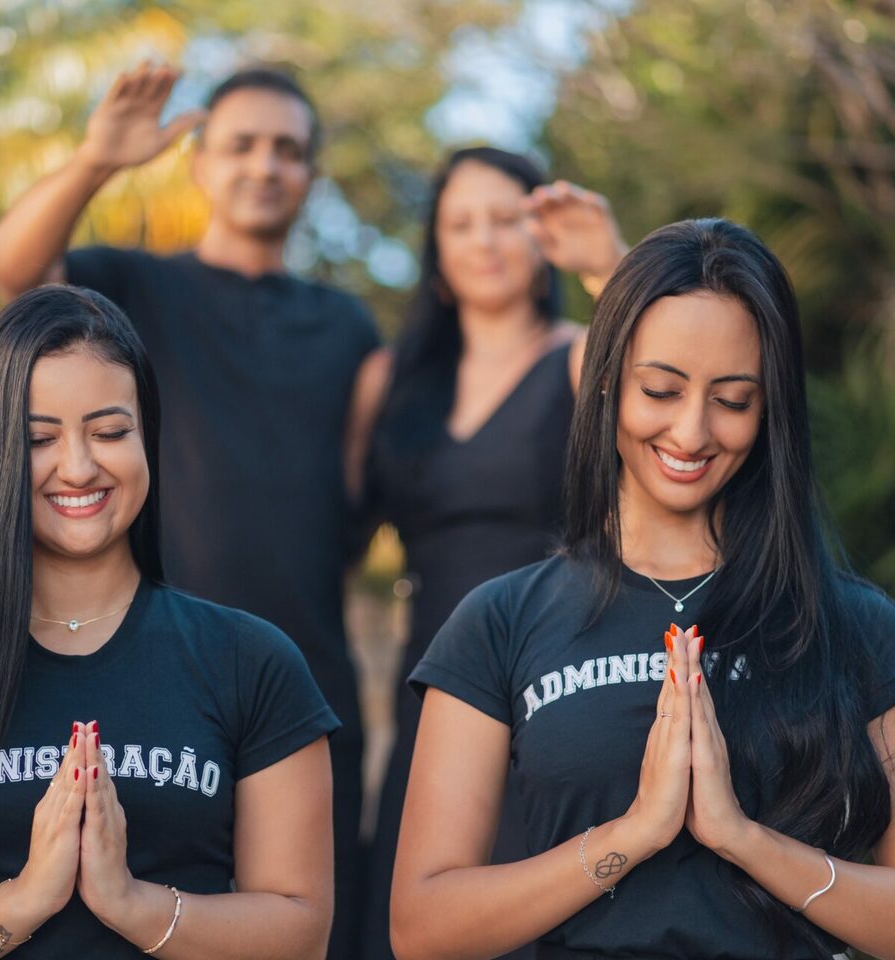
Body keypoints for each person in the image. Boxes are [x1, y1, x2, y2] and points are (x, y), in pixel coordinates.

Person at [389, 219, 895, 960]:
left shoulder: (858, 627)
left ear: (770, 414)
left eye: (733, 400)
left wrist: (742, 839)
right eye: (662, 390)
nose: (692, 431)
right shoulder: (501, 621)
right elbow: (422, 927)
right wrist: (633, 834)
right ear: (606, 382)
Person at [0, 285, 337, 959]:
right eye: (39, 439)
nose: (80, 466)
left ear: (148, 437)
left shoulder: (250, 662)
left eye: (111, 432)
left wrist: (130, 903)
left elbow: (301, 934)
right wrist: (28, 896)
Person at [0, 65, 376, 956]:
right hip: (144, 675)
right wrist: (96, 162)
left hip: (305, 680)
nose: (264, 166)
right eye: (241, 145)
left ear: (311, 174)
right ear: (198, 163)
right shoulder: (133, 288)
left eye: (289, 150)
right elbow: (6, 270)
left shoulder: (349, 327)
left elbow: (357, 493)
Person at [345, 147, 627, 960]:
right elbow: (333, 535)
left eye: (508, 219)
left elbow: (662, 369)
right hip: (429, 691)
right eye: (460, 223)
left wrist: (611, 263)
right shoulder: (389, 381)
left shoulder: (583, 354)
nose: (486, 240)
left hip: (555, 688)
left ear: (544, 239)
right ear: (434, 251)